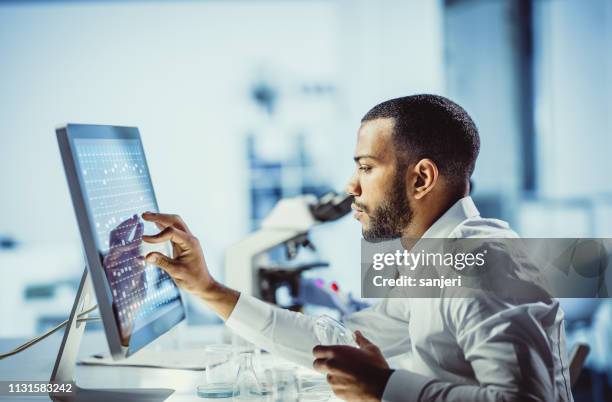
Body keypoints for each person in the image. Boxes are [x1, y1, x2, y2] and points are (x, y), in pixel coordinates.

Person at [141, 95, 572, 402]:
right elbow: (342, 341)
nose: (351, 188)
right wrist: (207, 288)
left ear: (421, 178)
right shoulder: (434, 260)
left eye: (366, 167)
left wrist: (386, 388)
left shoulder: (479, 264)